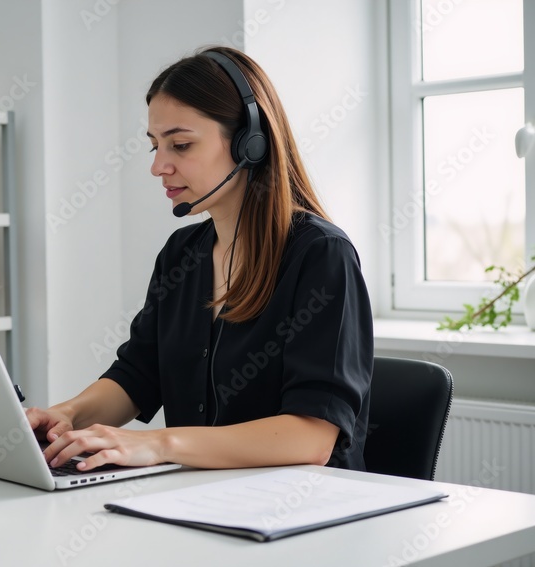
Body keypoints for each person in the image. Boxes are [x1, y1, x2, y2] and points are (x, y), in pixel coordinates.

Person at [26, 46, 373, 472]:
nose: (158, 166)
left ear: (251, 143)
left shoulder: (320, 255)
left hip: (300, 508)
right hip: (197, 498)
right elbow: (138, 376)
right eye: (155, 146)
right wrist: (68, 415)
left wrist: (158, 444)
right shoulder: (182, 255)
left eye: (181, 145)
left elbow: (312, 437)